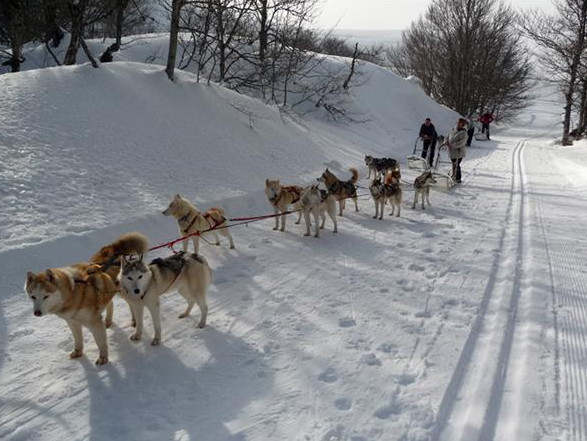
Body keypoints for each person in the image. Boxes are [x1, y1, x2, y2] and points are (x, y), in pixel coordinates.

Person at [447, 117, 468, 183]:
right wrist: (446, 142)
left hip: (459, 151)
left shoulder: (464, 132)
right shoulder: (454, 130)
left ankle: (458, 178)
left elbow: (462, 142)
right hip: (452, 151)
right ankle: (454, 175)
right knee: (454, 164)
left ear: (462, 124)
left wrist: (453, 145)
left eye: (459, 122)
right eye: (457, 122)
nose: (457, 123)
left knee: (456, 164)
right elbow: (448, 136)